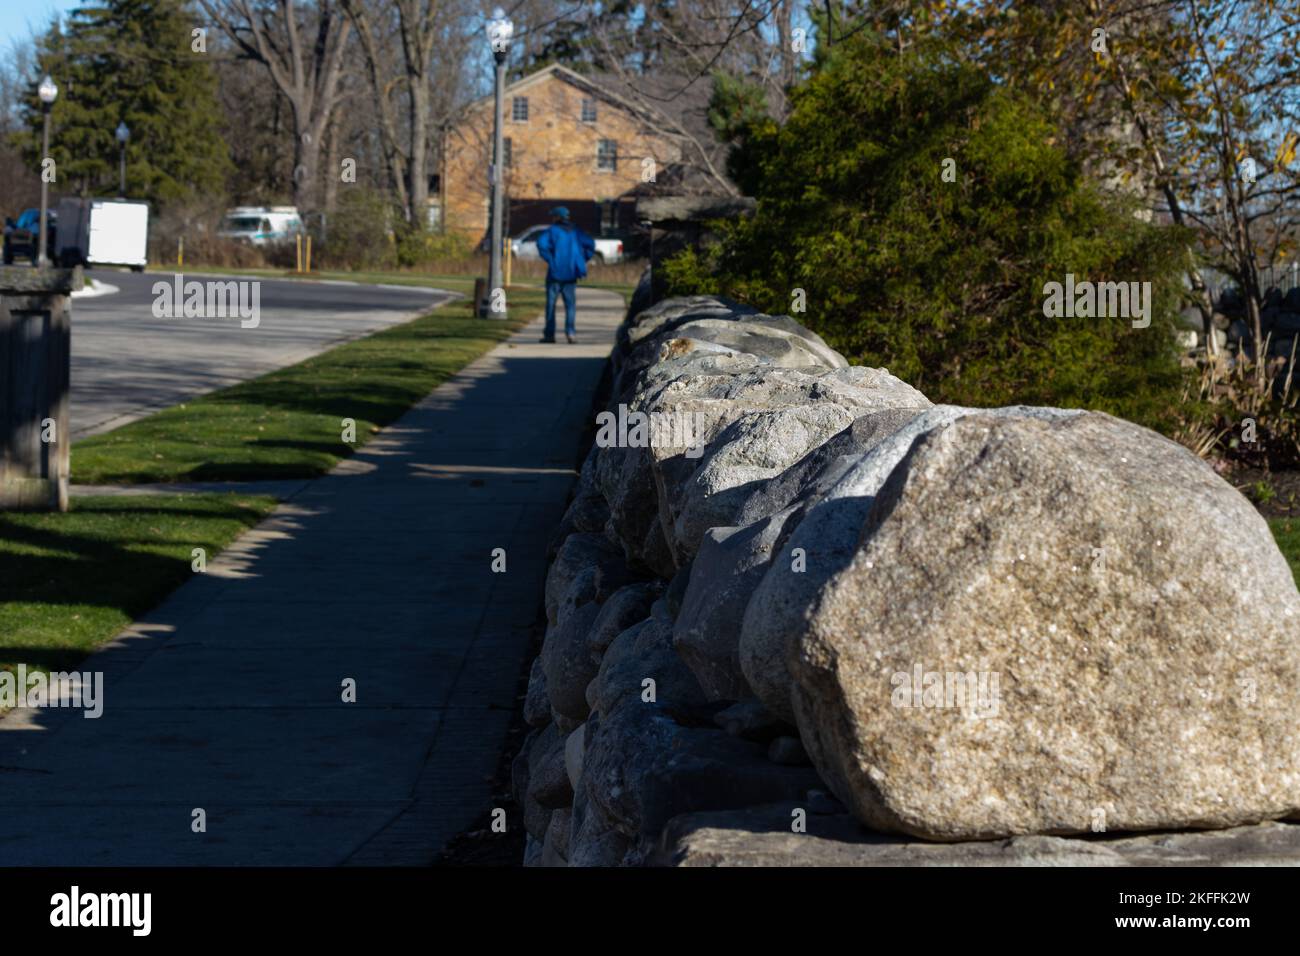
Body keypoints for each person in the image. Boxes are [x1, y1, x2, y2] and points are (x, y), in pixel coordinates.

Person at [535, 206, 595, 343]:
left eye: (553, 216)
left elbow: (540, 244)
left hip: (555, 273)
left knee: (551, 305)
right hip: (571, 274)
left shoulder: (552, 231)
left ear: (557, 217)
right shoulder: (576, 232)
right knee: (570, 306)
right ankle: (570, 333)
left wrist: (550, 259)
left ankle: (549, 335)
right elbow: (590, 245)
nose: (552, 218)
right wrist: (581, 259)